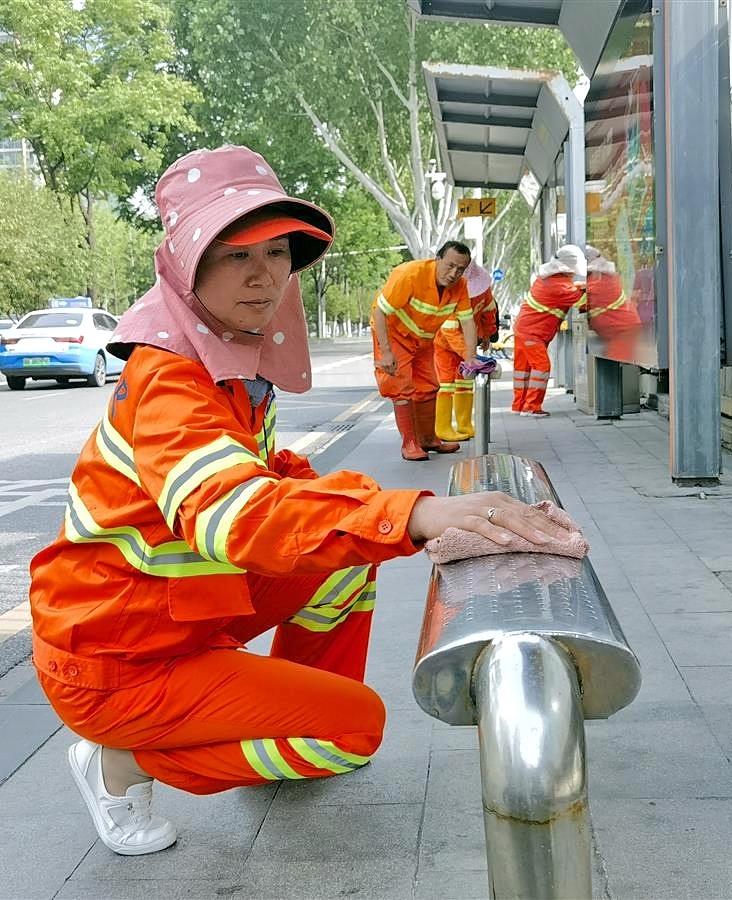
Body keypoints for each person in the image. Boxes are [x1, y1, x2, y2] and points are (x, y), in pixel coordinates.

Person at [28, 145, 566, 857]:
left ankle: (288, 715)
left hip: (175, 617)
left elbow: (274, 474)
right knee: (356, 731)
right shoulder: (173, 379)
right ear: (186, 266)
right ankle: (120, 763)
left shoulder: (224, 358)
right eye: (233, 254)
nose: (263, 275)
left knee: (347, 563)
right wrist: (410, 515)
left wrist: (393, 510)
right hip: (117, 662)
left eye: (277, 252)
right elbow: (240, 510)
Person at [371, 241, 478, 461]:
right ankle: (409, 444)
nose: (453, 273)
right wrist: (386, 352)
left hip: (423, 339)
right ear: (437, 259)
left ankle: (428, 439)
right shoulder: (410, 275)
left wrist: (471, 358)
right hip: (393, 334)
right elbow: (380, 312)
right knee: (400, 387)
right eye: (450, 265)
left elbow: (468, 322)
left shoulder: (460, 286)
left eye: (460, 269)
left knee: (429, 386)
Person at [512, 245, 586, 416]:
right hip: (533, 333)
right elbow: (581, 301)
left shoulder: (548, 279)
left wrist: (581, 286)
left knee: (523, 369)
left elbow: (570, 288)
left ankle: (519, 405)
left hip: (524, 329)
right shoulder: (560, 285)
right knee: (541, 366)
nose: (574, 275)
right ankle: (531, 407)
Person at [432, 261, 498, 441]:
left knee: (465, 383)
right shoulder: (451, 295)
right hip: (444, 345)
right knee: (446, 384)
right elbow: (449, 331)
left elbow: (489, 312)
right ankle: (443, 428)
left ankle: (465, 425)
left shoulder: (484, 291)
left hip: (468, 342)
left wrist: (487, 334)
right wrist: (469, 354)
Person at [583, 245, 641, 360]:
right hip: (618, 331)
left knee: (616, 362)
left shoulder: (599, 282)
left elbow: (578, 298)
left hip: (622, 332)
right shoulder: (602, 277)